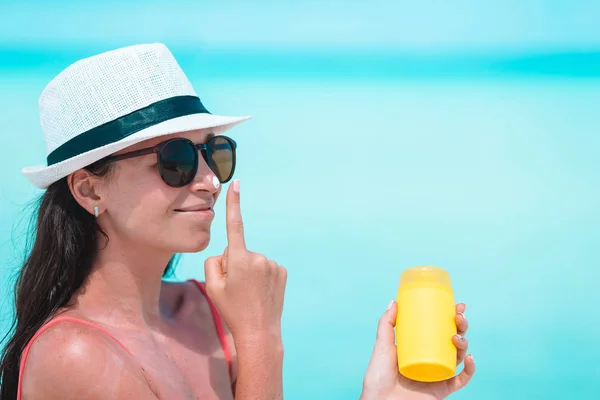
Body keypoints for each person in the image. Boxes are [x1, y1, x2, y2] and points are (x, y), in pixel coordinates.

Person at [0, 43, 474, 400]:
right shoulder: (73, 355)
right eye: (176, 159)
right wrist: (259, 336)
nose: (209, 180)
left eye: (214, 151)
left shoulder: (208, 310)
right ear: (89, 189)